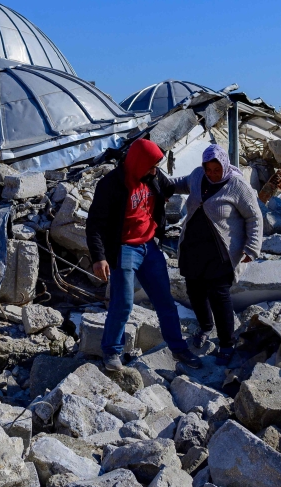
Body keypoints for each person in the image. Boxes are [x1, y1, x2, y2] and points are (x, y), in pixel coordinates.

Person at [86, 139, 203, 372]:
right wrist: (99, 257)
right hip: (124, 248)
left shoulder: (154, 178)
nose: (155, 170)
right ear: (139, 163)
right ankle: (111, 352)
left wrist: (206, 180)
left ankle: (178, 348)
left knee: (165, 302)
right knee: (123, 303)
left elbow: (171, 186)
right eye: (151, 165)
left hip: (149, 246)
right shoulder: (111, 185)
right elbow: (95, 224)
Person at [173, 144, 262, 364]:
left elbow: (254, 217)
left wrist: (252, 247)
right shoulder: (197, 176)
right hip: (193, 247)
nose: (212, 174)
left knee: (219, 296)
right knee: (194, 290)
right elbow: (179, 184)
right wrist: (157, 182)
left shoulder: (237, 185)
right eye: (208, 169)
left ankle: (226, 344)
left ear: (224, 164)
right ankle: (205, 326)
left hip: (221, 251)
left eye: (216, 169)